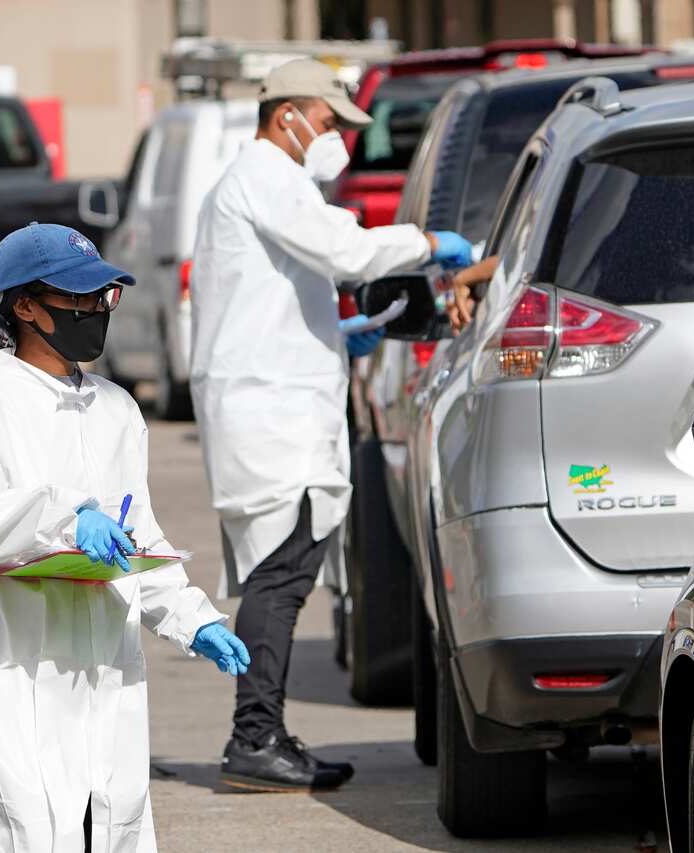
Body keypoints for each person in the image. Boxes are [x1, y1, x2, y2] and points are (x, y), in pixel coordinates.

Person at [189, 58, 473, 792]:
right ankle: (253, 738)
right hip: (269, 410)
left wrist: (341, 333)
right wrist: (428, 243)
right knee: (280, 576)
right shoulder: (264, 178)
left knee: (281, 572)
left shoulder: (264, 185)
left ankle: (264, 732)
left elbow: (275, 296)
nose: (335, 136)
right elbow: (345, 252)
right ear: (287, 114)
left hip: (274, 398)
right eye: (328, 120)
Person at [0, 222, 250, 852]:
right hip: (18, 664)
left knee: (113, 819)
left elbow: (139, 538)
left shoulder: (116, 410)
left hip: (105, 666)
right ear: (24, 306)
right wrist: (68, 519)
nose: (96, 312)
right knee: (31, 823)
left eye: (104, 297)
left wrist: (192, 618)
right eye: (78, 298)